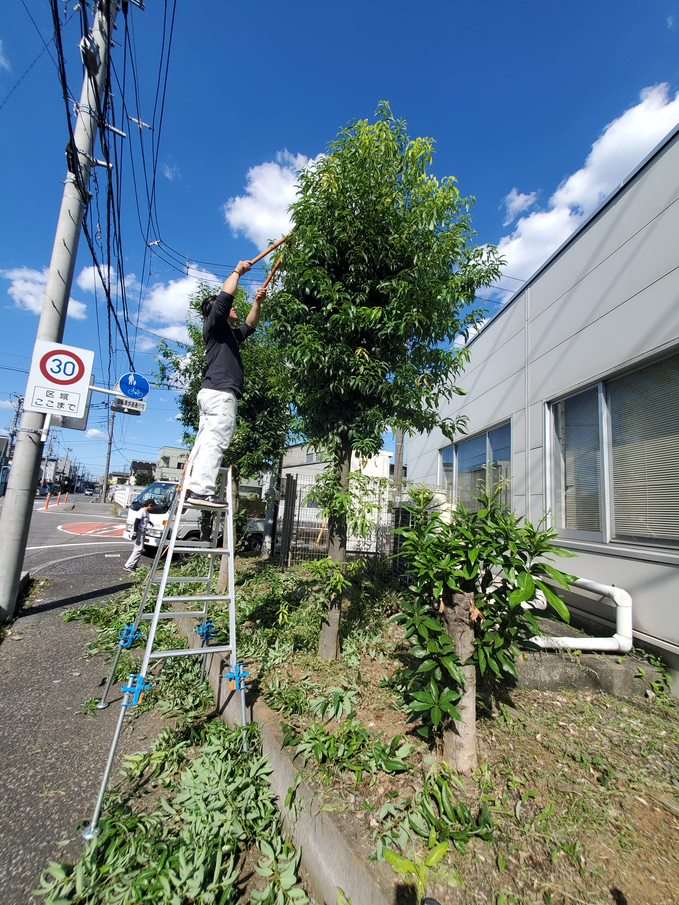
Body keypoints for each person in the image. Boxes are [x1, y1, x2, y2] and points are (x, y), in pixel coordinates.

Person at [185, 260, 266, 509]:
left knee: (206, 439)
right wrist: (237, 272)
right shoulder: (214, 325)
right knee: (216, 439)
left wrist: (258, 303)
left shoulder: (227, 335)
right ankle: (201, 491)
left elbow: (250, 326)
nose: (234, 310)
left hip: (212, 392)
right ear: (214, 311)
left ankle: (192, 485)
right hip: (220, 393)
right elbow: (224, 298)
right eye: (229, 309)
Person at [124, 499, 154, 572]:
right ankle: (128, 566)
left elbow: (145, 520)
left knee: (139, 549)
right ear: (149, 505)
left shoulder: (146, 512)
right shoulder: (142, 511)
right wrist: (135, 532)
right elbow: (136, 522)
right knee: (138, 549)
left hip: (143, 532)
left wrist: (150, 522)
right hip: (139, 531)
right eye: (153, 506)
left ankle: (133, 565)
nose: (153, 508)